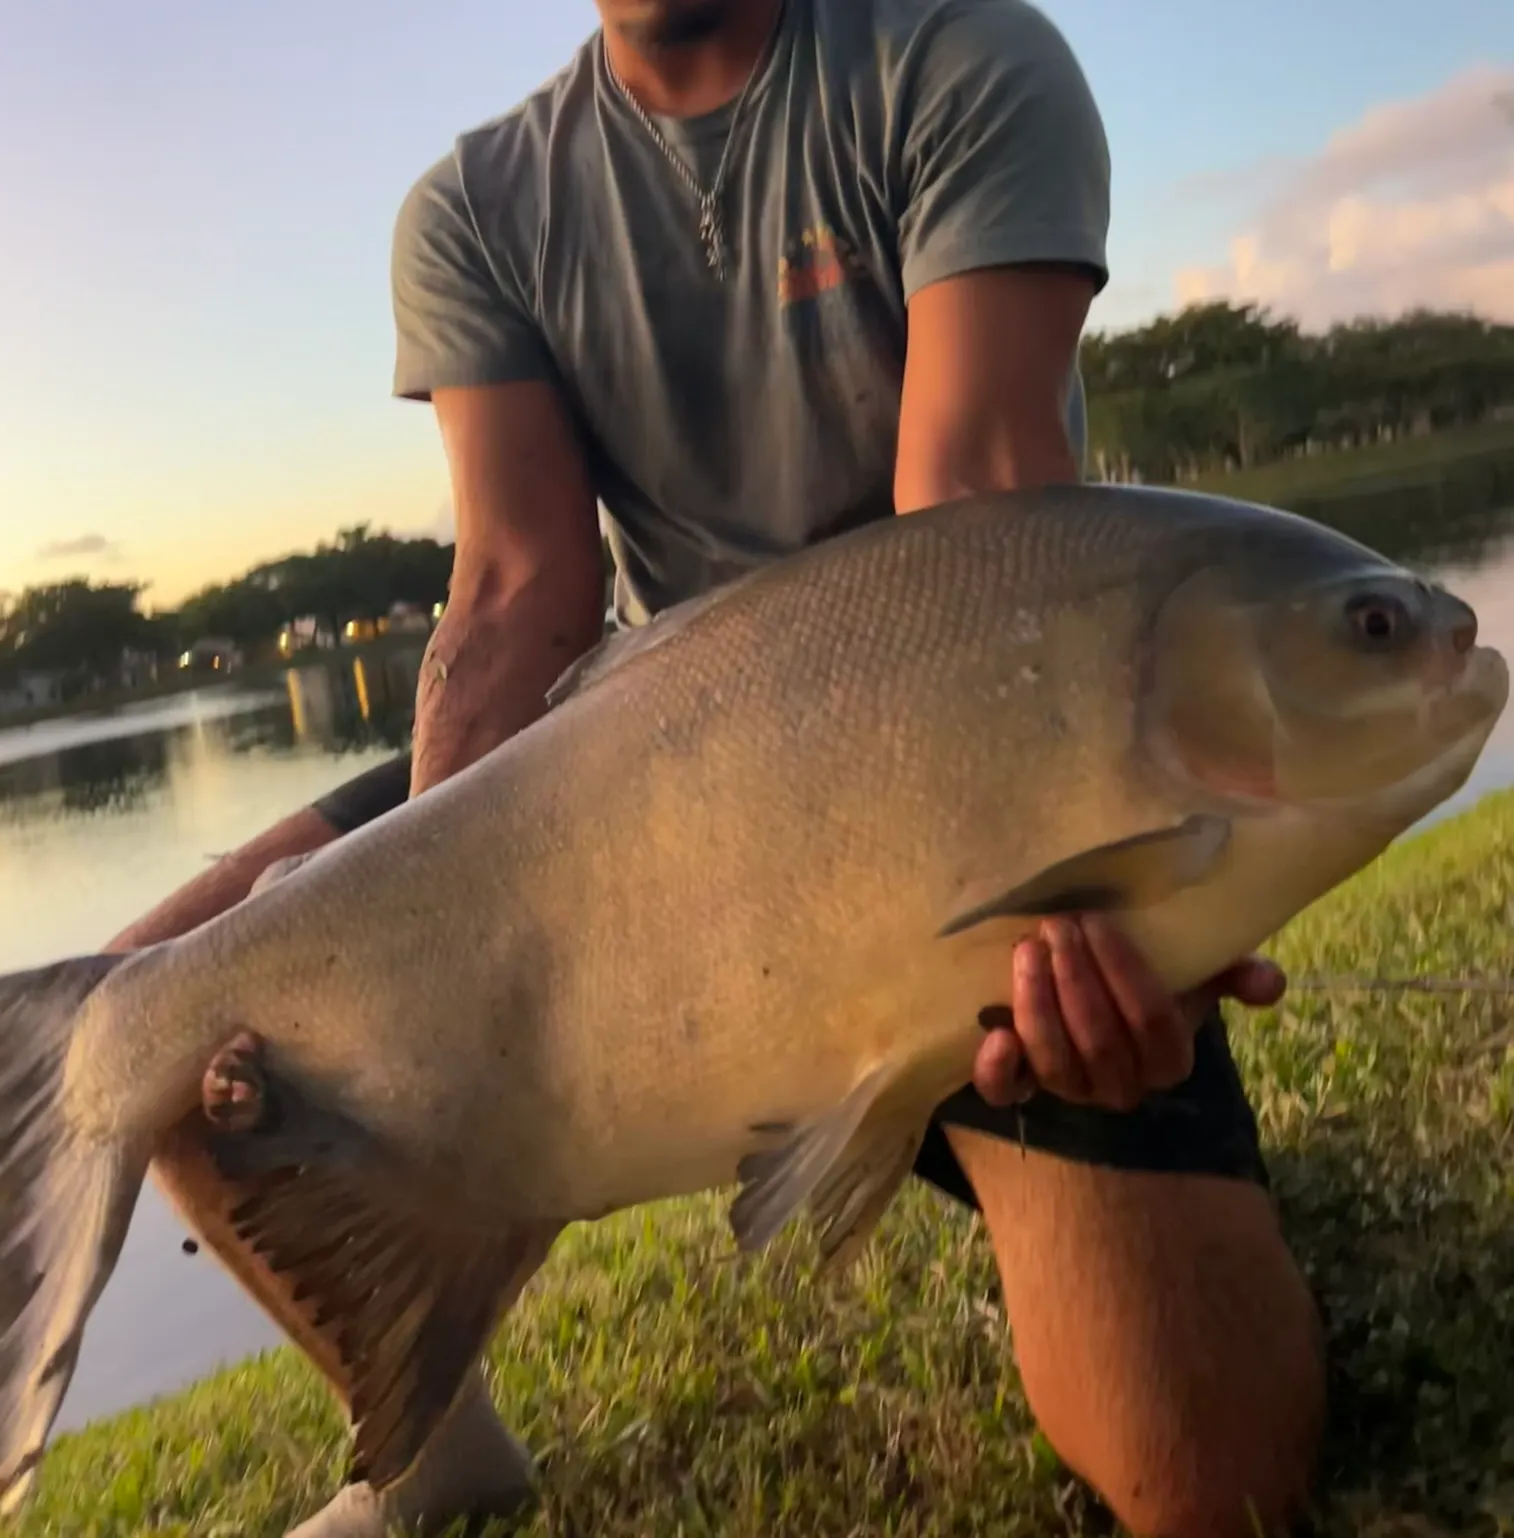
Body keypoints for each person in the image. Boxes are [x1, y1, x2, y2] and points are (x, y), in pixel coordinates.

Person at [110, 1, 1326, 1534]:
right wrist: (422, 964)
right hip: (631, 778)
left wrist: (1119, 858)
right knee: (152, 1003)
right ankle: (428, 1438)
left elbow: (975, 509)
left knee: (1209, 1482)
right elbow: (516, 594)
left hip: (961, 802)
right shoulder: (478, 206)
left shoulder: (953, 56)